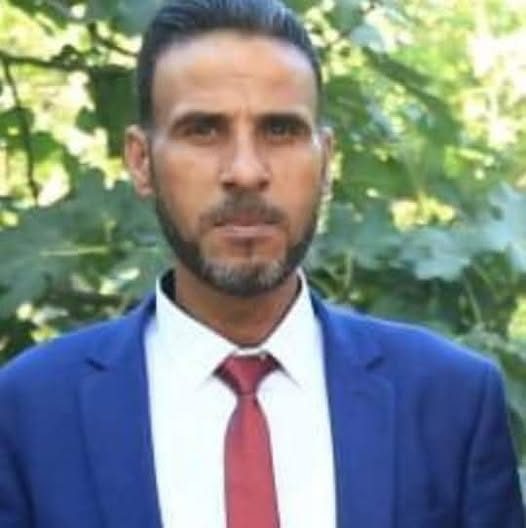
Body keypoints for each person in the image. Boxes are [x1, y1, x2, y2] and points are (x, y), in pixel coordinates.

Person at [0, 0, 524, 526]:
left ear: (326, 161)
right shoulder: (31, 412)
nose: (246, 172)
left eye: (280, 130)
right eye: (204, 130)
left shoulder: (449, 402)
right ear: (141, 162)